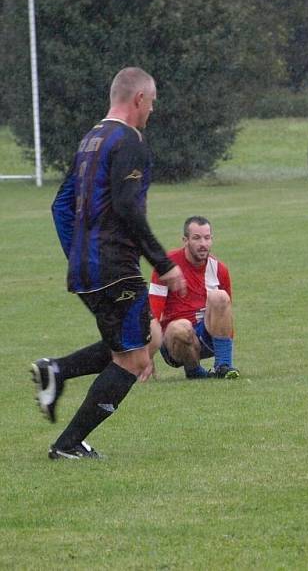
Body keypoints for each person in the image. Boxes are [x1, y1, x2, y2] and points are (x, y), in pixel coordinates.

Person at [33, 67, 186, 459]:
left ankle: (57, 370)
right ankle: (67, 445)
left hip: (87, 269)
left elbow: (60, 206)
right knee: (135, 359)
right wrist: (163, 263)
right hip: (114, 268)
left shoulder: (90, 140)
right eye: (151, 103)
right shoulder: (129, 141)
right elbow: (127, 207)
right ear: (138, 99)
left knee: (143, 340)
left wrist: (80, 256)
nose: (151, 110)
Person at [148, 216, 239, 380]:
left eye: (207, 238)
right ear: (185, 240)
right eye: (196, 238)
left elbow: (226, 313)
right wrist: (146, 355)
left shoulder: (219, 269)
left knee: (220, 297)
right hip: (174, 342)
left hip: (206, 336)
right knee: (181, 327)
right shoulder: (166, 266)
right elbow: (152, 314)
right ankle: (194, 371)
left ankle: (224, 366)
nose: (203, 244)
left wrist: (227, 344)